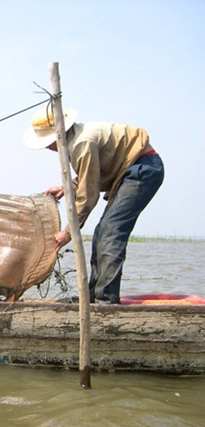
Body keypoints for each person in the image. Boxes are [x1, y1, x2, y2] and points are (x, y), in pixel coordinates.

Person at [23, 106, 164, 304]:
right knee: (101, 232)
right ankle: (93, 296)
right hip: (129, 171)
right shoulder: (76, 140)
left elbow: (88, 195)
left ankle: (105, 300)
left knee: (111, 230)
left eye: (47, 141)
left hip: (142, 170)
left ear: (60, 134)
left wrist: (68, 232)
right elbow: (90, 174)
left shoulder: (82, 143)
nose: (47, 147)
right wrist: (67, 187)